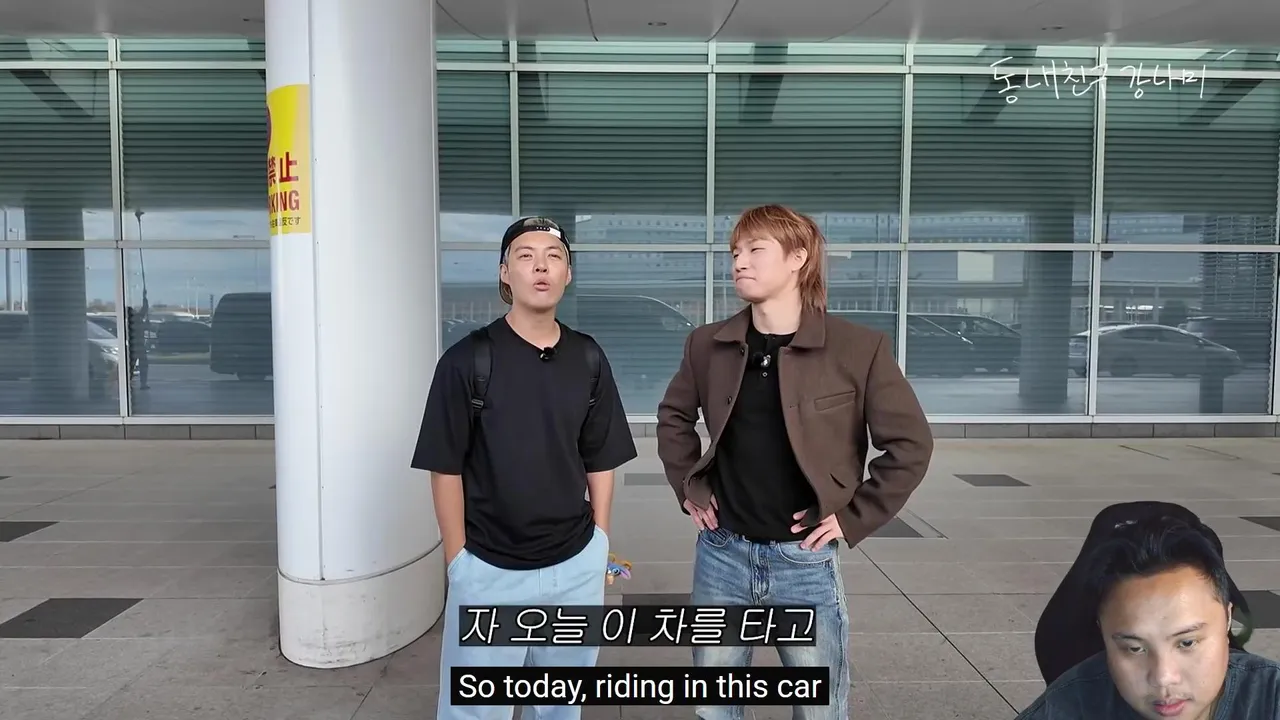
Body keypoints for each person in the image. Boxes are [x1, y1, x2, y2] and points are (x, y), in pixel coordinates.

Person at [655, 204, 934, 720]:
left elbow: (910, 443)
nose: (739, 262)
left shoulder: (858, 348)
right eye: (735, 252)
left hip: (803, 561)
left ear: (798, 258)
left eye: (755, 250)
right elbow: (673, 417)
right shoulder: (707, 345)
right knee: (714, 708)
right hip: (721, 554)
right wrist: (688, 486)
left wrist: (854, 516)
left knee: (819, 709)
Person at [412, 216, 638, 720]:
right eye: (526, 256)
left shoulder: (587, 357)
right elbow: (444, 468)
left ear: (567, 275)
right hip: (489, 568)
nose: (541, 266)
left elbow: (600, 456)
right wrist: (458, 562)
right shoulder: (467, 360)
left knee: (560, 707)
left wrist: (599, 542)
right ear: (504, 273)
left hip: (574, 564)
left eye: (554, 257)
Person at [1016, 515, 1280, 719]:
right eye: (1134, 648)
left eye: (1187, 642)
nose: (1163, 678)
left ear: (1227, 619)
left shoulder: (1271, 700)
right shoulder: (1071, 705)